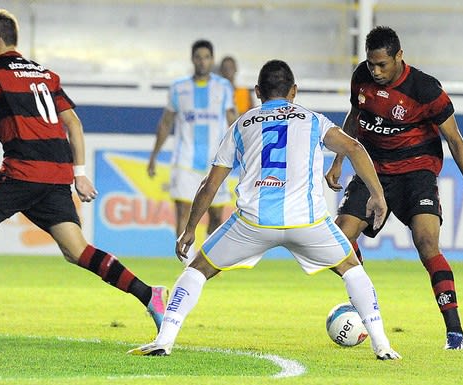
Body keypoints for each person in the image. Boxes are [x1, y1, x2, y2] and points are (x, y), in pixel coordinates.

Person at [129, 59, 401, 360]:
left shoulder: (242, 125)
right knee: (351, 269)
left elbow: (210, 184)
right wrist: (377, 194)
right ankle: (382, 344)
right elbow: (354, 148)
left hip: (253, 223)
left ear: (258, 91)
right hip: (307, 222)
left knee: (198, 270)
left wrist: (190, 228)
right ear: (294, 91)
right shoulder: (313, 120)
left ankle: (164, 340)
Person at [0, 9, 167, 336]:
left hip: (23, 170)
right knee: (77, 250)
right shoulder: (46, 74)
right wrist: (79, 173)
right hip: (57, 174)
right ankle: (149, 294)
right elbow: (74, 124)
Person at [324, 26, 463, 350]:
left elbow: (455, 140)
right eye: (371, 64)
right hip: (372, 171)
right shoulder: (361, 77)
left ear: (399, 57)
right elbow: (354, 117)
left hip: (416, 174)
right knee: (338, 241)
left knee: (427, 243)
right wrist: (338, 161)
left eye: (382, 65)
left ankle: (455, 333)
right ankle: (368, 299)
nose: (375, 71)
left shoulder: (425, 89)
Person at [147, 40, 237, 264]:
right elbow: (165, 123)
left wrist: (244, 151)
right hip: (185, 159)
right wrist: (153, 157)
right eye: (198, 57)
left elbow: (233, 120)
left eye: (206, 57)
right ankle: (188, 266)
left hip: (216, 161)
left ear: (212, 60)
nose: (202, 61)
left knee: (216, 215)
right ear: (192, 59)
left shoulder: (223, 87)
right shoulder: (178, 87)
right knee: (183, 213)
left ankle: (207, 259)